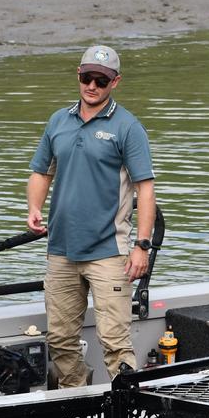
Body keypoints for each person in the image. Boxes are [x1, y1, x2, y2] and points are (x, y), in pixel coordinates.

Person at [26, 45, 156, 387]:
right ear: (78, 76)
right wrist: (34, 208)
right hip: (60, 251)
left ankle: (126, 409)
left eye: (101, 80)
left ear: (115, 82)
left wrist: (142, 245)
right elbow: (41, 173)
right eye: (87, 77)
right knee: (60, 340)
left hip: (109, 252)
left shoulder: (128, 127)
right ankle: (75, 398)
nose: (92, 86)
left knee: (115, 342)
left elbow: (145, 189)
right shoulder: (58, 121)